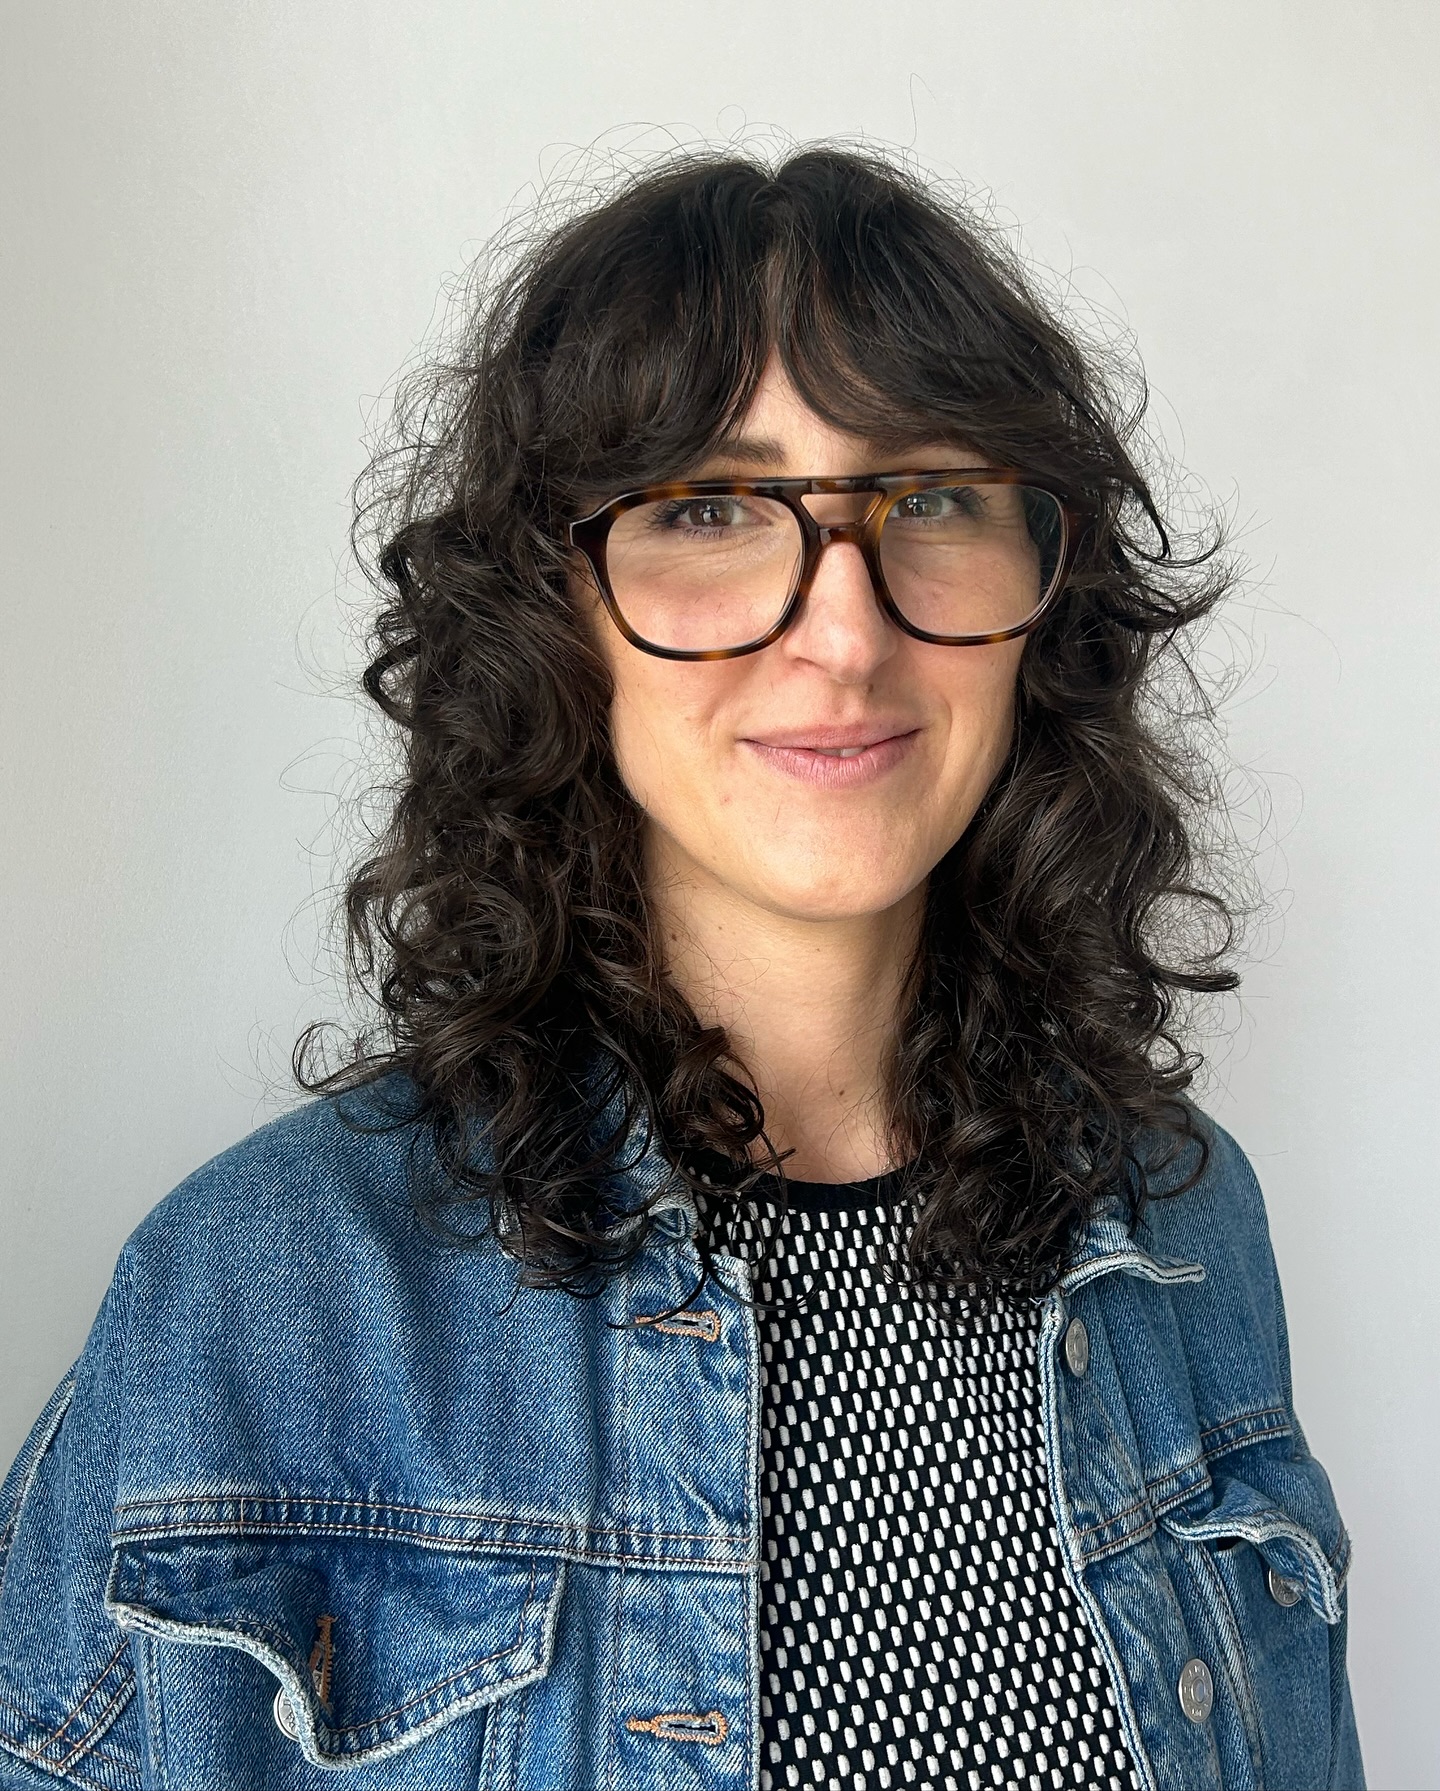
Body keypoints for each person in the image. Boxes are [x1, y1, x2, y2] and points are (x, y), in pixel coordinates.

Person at [0, 145, 1362, 1791]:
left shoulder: (1184, 1223)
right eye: (711, 509)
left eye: (929, 497)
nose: (845, 630)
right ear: (552, 608)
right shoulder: (264, 1295)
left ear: (1044, 600)